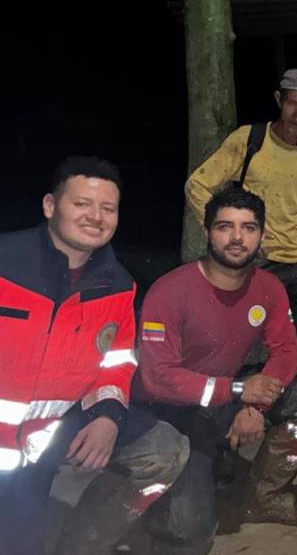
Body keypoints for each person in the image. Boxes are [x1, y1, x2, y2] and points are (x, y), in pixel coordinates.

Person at [0, 157, 187, 555]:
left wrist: (108, 417)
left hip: (41, 443)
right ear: (51, 206)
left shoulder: (117, 285)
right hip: (8, 446)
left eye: (107, 208)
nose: (95, 217)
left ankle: (76, 541)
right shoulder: (6, 263)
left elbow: (116, 363)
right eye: (82, 204)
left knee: (166, 448)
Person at [135, 186, 297, 554]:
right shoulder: (169, 291)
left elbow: (286, 351)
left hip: (227, 395)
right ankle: (166, 489)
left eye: (248, 228)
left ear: (262, 236)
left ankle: (264, 494)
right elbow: (158, 377)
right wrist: (239, 392)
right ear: (206, 233)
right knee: (190, 533)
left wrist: (256, 407)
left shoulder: (267, 287)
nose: (237, 237)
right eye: (225, 227)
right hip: (172, 411)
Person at [186, 68, 297, 374]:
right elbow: (197, 186)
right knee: (250, 344)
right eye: (292, 103)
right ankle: (241, 407)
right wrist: (230, 236)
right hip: (262, 262)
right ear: (279, 99)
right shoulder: (250, 139)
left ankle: (289, 404)